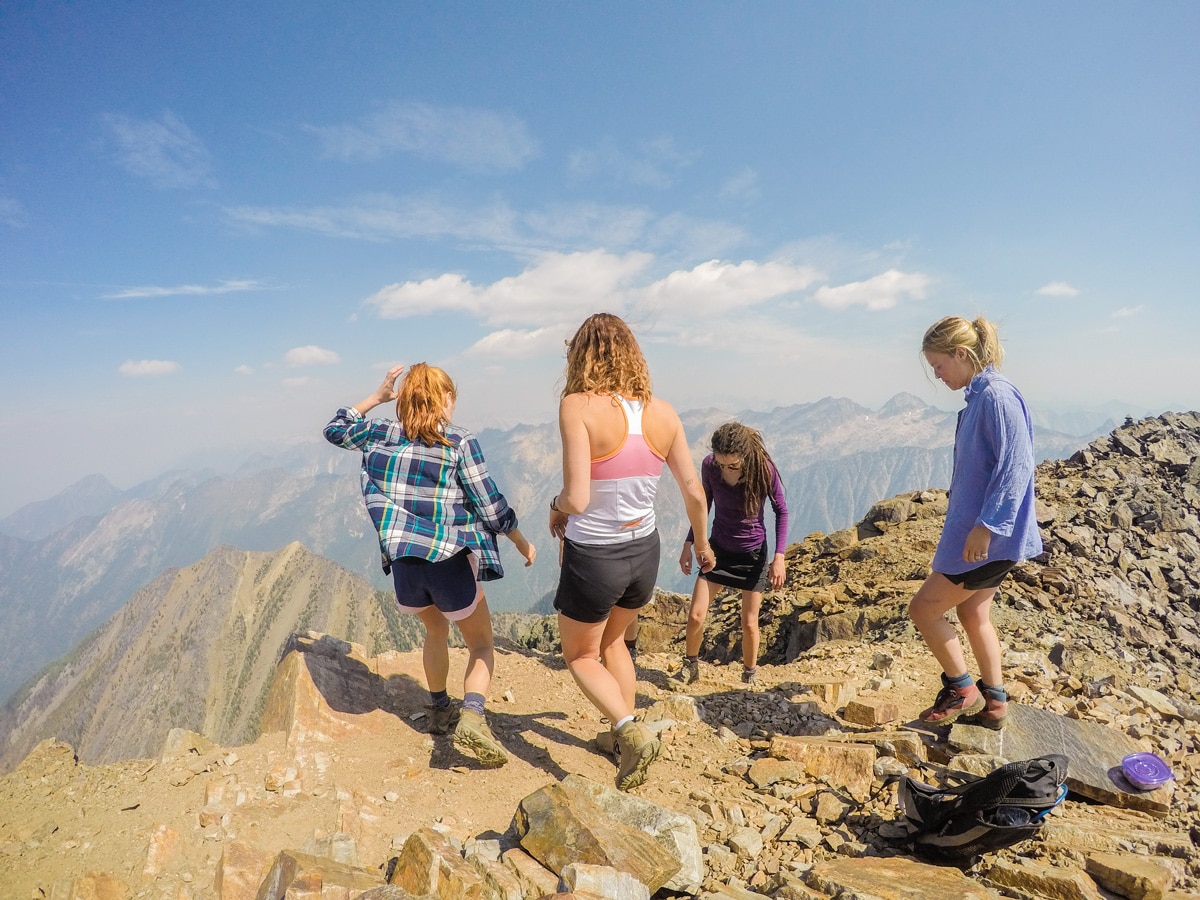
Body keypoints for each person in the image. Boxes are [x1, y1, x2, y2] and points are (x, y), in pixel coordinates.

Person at [324, 363, 535, 766]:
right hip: (448, 562)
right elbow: (490, 506)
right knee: (481, 644)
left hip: (404, 565)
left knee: (435, 632)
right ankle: (472, 716)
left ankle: (439, 710)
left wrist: (375, 398)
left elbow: (334, 430)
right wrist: (521, 541)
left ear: (402, 401)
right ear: (446, 399)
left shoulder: (379, 434)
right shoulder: (459, 442)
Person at [549, 313, 714, 791]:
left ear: (580, 356)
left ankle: (629, 730)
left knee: (580, 655)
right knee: (615, 642)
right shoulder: (662, 413)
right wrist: (701, 543)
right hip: (645, 551)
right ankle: (623, 733)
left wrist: (555, 508)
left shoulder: (576, 406)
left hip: (595, 555)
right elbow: (695, 493)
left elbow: (577, 498)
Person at [908, 316, 1042, 729]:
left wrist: (986, 526)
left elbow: (1016, 467)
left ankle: (961, 687)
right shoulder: (981, 397)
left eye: (939, 365)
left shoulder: (996, 398)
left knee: (923, 610)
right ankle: (996, 704)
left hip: (985, 541)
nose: (937, 374)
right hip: (988, 540)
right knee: (973, 616)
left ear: (961, 355)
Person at [679, 422, 789, 685]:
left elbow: (781, 511)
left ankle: (749, 676)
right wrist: (689, 542)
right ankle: (690, 666)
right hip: (718, 550)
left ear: (745, 456)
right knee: (696, 615)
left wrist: (779, 557)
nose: (725, 469)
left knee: (749, 624)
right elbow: (703, 504)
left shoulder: (763, 469)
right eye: (721, 464)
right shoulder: (709, 466)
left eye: (733, 465)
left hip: (752, 556)